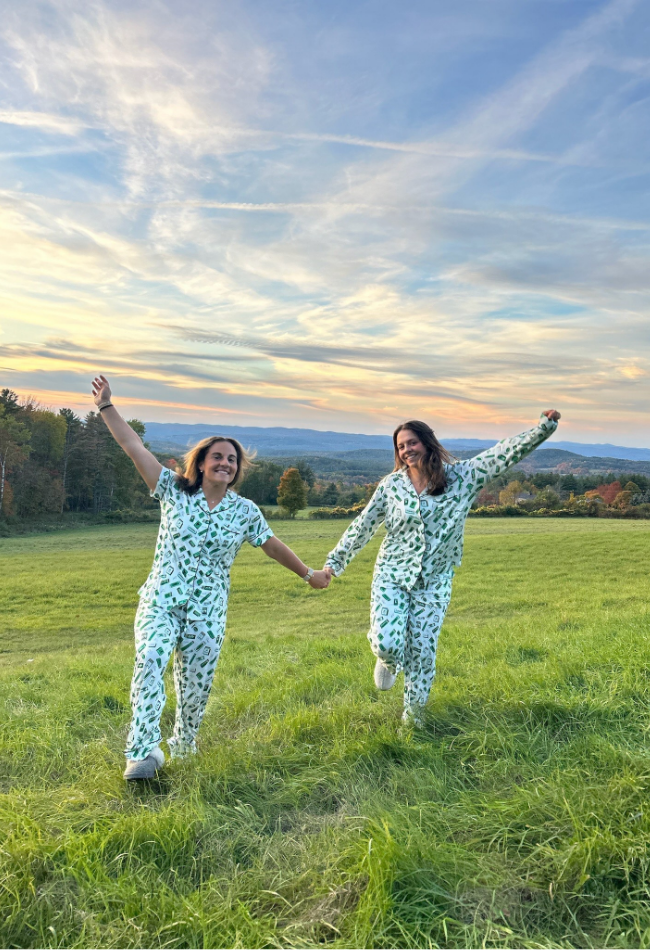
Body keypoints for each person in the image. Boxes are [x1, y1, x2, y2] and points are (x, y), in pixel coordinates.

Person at [91, 375, 330, 780]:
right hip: (162, 600)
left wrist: (309, 574)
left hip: (208, 609)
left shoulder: (245, 511)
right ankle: (143, 751)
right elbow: (133, 447)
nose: (225, 463)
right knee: (150, 658)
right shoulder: (171, 489)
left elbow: (271, 544)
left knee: (195, 685)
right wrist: (106, 406)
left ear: (237, 470)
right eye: (217, 456)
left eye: (232, 460)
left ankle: (184, 745)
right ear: (201, 462)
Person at [324, 411, 561, 726]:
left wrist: (544, 428)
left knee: (422, 653)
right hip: (392, 575)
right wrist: (334, 563)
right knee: (387, 642)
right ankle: (388, 660)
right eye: (400, 447)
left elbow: (503, 454)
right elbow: (364, 525)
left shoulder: (462, 477)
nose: (406, 450)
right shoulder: (391, 486)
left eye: (412, 443)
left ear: (427, 443)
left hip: (434, 582)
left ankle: (413, 720)